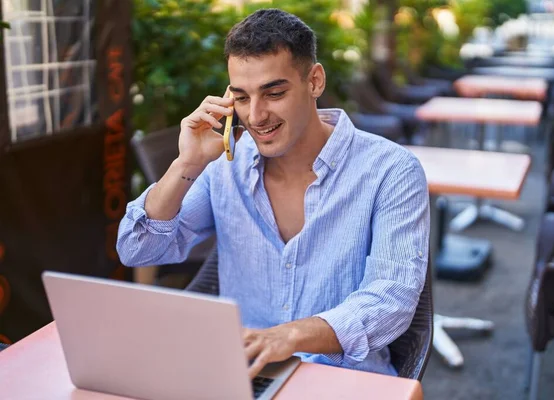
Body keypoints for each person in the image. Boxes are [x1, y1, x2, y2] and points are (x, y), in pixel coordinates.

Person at [117, 8, 429, 378]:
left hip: (343, 380)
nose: (256, 116)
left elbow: (391, 301)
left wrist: (289, 337)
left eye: (274, 92)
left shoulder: (392, 171)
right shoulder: (225, 168)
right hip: (245, 376)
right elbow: (137, 249)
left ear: (314, 81)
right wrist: (186, 164)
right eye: (242, 98)